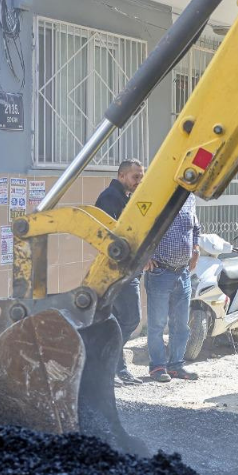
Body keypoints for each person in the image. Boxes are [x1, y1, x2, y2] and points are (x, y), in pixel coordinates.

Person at [94, 159, 146, 386]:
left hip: (129, 269)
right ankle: (106, 365)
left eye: (141, 177)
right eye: (136, 177)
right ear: (122, 175)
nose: (139, 181)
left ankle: (117, 367)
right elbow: (107, 238)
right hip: (117, 271)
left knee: (119, 321)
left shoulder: (126, 198)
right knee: (129, 319)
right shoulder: (109, 198)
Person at [145, 193, 201, 383]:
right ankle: (157, 367)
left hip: (183, 273)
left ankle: (176, 365)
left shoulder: (189, 198)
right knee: (157, 325)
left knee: (181, 326)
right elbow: (140, 229)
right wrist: (144, 255)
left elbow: (196, 228)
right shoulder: (157, 192)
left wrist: (195, 249)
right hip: (159, 272)